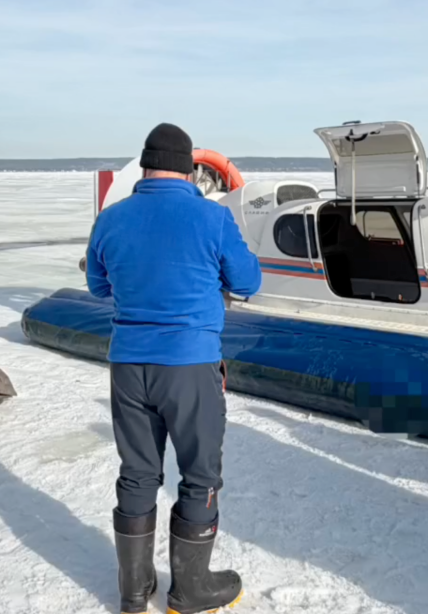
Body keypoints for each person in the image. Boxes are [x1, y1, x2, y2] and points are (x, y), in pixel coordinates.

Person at [85, 123, 262, 614]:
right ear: (190, 169)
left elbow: (99, 287)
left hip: (128, 365)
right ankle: (190, 589)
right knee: (200, 474)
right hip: (190, 366)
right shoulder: (212, 218)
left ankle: (133, 591)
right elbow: (249, 280)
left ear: (145, 166)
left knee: (138, 472)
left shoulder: (111, 219)